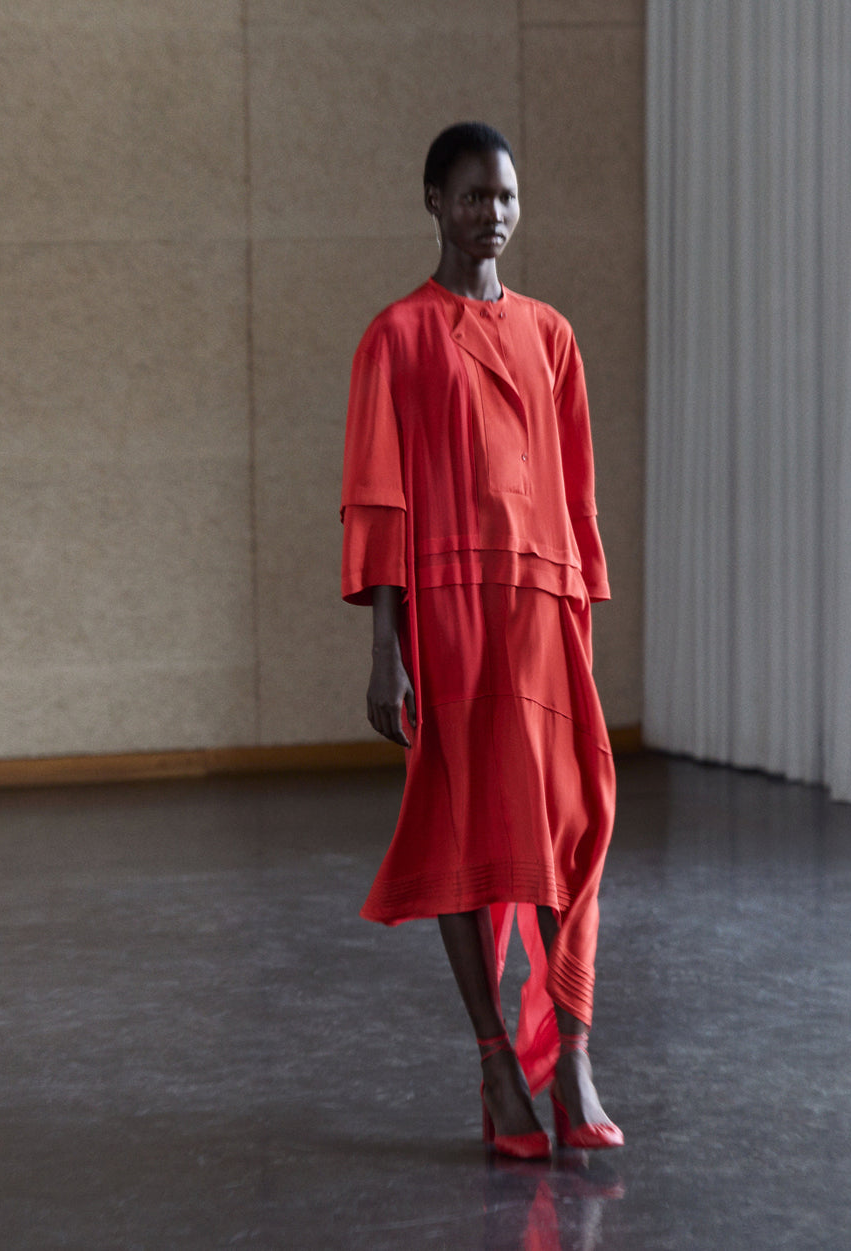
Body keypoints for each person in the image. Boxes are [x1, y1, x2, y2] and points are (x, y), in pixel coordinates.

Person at [340, 122, 622, 1159]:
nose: (490, 214)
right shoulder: (397, 337)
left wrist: (578, 614)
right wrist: (387, 647)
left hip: (541, 612)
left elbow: (575, 488)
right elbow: (376, 497)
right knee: (466, 836)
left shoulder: (550, 335)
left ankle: (575, 1052)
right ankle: (498, 1056)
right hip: (448, 608)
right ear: (433, 203)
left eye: (504, 196)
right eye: (470, 196)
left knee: (565, 827)